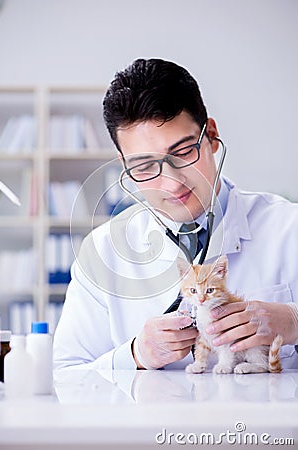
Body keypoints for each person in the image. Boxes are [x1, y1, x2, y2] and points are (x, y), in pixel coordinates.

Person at [53, 58, 298, 371]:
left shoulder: (289, 228)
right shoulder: (101, 252)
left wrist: (294, 321)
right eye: (143, 166)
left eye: (183, 152)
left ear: (210, 135)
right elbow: (66, 376)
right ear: (124, 163)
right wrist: (135, 355)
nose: (171, 181)